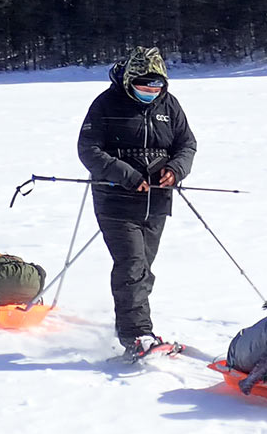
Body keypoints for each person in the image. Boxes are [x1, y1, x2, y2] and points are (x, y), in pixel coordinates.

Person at [77, 45, 197, 358]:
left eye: (156, 86)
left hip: (157, 203)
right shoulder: (105, 104)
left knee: (144, 268)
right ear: (129, 81)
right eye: (144, 86)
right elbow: (89, 150)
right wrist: (127, 174)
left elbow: (187, 145)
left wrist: (175, 170)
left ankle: (135, 324)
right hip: (116, 202)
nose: (150, 92)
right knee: (131, 265)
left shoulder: (169, 105)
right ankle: (136, 335)